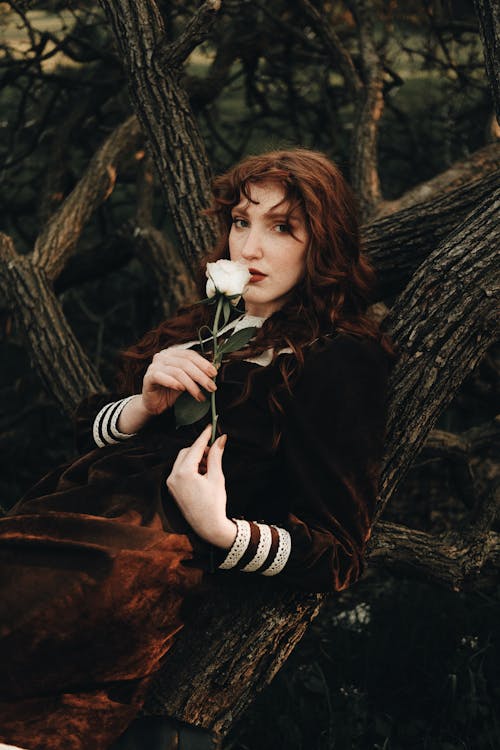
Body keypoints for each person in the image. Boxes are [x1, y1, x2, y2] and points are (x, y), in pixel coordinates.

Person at [0, 148, 396, 750]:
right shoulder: (204, 325)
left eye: (282, 228)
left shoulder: (338, 357)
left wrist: (222, 529)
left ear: (324, 244)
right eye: (242, 222)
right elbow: (91, 433)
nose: (250, 249)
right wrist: (143, 404)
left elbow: (338, 554)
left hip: (129, 569)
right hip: (60, 524)